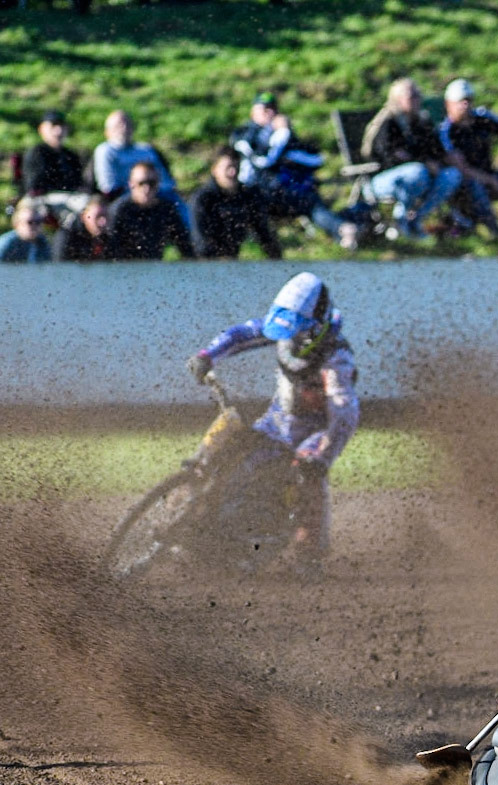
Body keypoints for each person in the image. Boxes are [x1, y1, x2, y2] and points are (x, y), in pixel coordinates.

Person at [186, 272, 360, 569]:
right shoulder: (282, 327)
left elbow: (344, 414)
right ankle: (189, 499)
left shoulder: (336, 359)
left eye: (296, 332)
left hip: (315, 433)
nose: (289, 338)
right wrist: (207, 356)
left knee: (307, 473)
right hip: (275, 423)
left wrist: (322, 456)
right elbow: (241, 334)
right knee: (228, 436)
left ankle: (308, 555)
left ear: (316, 327)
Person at [230, 92, 359, 251]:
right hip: (255, 192)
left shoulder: (282, 134)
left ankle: (343, 232)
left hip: (284, 191)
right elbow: (264, 161)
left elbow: (316, 159)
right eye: (264, 109)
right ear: (253, 112)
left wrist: (285, 141)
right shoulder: (244, 134)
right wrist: (282, 134)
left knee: (309, 198)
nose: (269, 113)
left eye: (273, 109)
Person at [363, 78, 463, 240]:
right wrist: (423, 162)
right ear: (398, 99)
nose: (418, 99)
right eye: (412, 96)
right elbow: (388, 157)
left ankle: (416, 219)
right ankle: (400, 220)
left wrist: (440, 161)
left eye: (418, 95)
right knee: (417, 171)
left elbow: (435, 150)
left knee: (452, 175)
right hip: (382, 180)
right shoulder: (387, 122)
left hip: (420, 177)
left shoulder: (422, 122)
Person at [440, 78, 498, 240]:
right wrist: (492, 181)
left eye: (468, 100)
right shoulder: (447, 131)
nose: (465, 105)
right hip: (467, 183)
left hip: (490, 175)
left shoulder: (483, 119)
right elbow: (464, 170)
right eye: (460, 102)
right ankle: (495, 233)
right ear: (448, 104)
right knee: (475, 187)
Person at [190, 146, 283, 259]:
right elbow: (200, 241)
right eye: (228, 167)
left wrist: (277, 260)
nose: (233, 172)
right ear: (214, 170)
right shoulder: (203, 199)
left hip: (232, 261)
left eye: (236, 167)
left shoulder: (247, 196)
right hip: (205, 264)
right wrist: (216, 260)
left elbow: (264, 232)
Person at [107, 161, 195, 260]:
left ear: (158, 184)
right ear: (131, 184)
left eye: (151, 183)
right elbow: (110, 250)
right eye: (141, 183)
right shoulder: (119, 211)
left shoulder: (166, 209)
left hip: (154, 266)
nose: (146, 188)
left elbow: (185, 245)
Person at [92, 111, 180, 203]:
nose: (124, 128)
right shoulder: (105, 151)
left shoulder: (146, 150)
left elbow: (165, 181)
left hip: (156, 196)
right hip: (124, 199)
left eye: (127, 124)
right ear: (107, 132)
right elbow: (108, 186)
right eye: (118, 125)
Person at [22, 111, 90, 222]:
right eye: (53, 126)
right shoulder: (37, 153)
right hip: (45, 198)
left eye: (62, 126)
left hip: (70, 197)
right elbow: (35, 185)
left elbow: (79, 182)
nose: (58, 131)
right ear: (42, 129)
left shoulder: (70, 155)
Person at [52, 196, 112, 263]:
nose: (103, 222)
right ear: (83, 216)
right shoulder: (67, 238)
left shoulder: (108, 237)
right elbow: (61, 267)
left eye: (105, 216)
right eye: (98, 216)